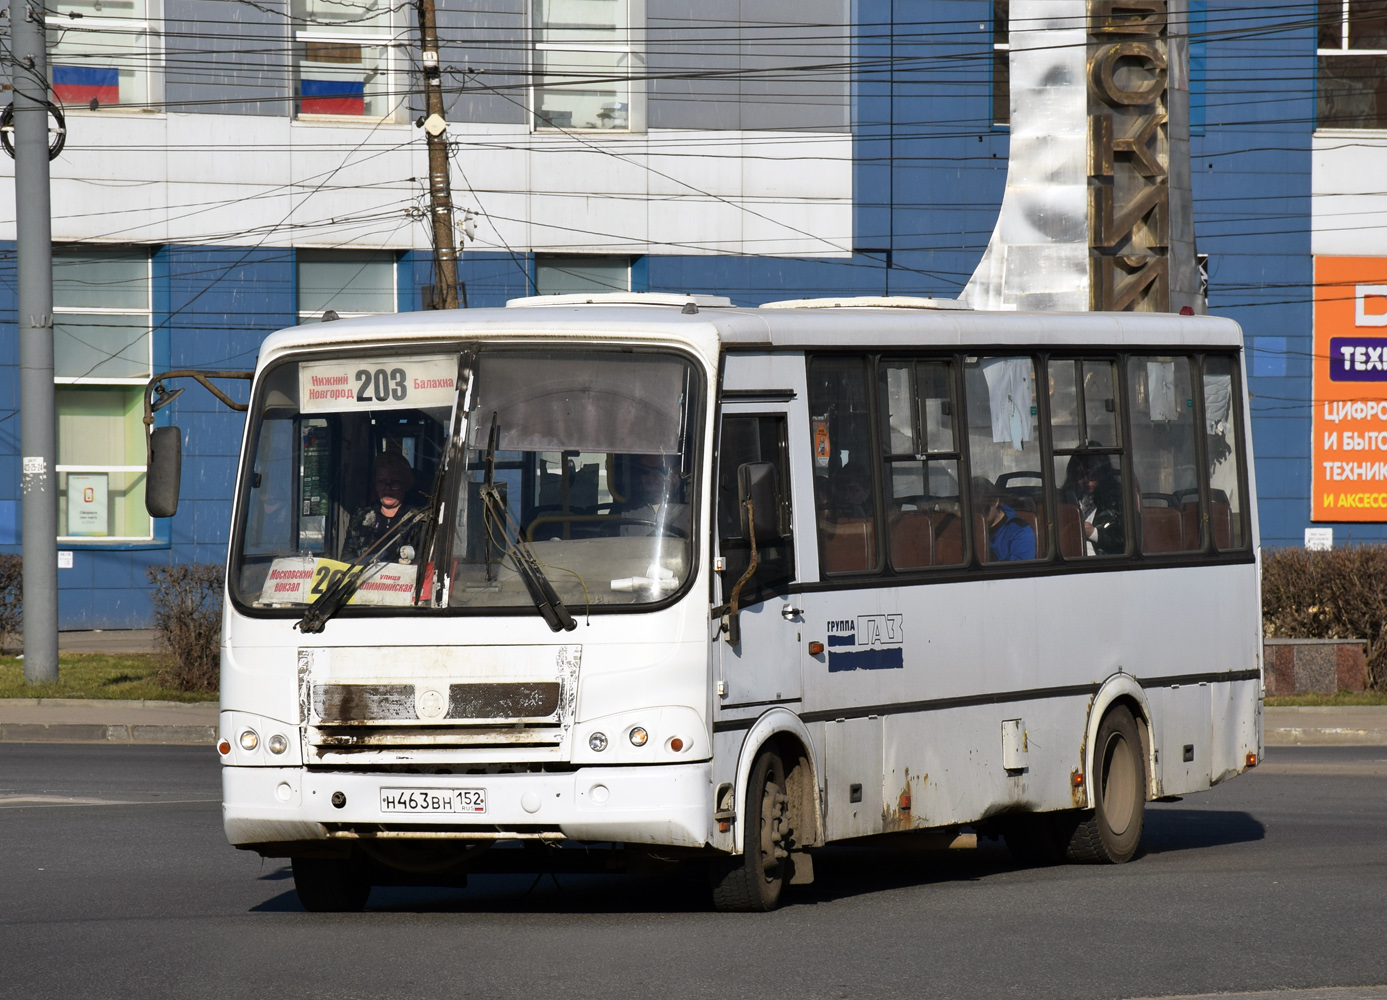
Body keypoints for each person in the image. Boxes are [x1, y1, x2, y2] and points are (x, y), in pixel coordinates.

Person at [344, 452, 424, 562]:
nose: (387, 488)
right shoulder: (361, 516)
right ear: (375, 484)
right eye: (381, 481)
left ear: (406, 484)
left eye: (395, 482)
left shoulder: (418, 519)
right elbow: (346, 559)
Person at [1061, 453, 1125, 556]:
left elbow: (1125, 541)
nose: (1087, 482)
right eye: (1081, 475)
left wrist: (1094, 533)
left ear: (1102, 474)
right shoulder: (1067, 498)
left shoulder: (1116, 499)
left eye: (1093, 475)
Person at [618, 454, 690, 536]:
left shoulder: (693, 508)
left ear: (677, 472)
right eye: (645, 471)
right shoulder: (630, 510)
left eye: (660, 470)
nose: (651, 477)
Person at [972, 476, 1036, 562]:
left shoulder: (1020, 532)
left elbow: (1019, 571)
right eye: (973, 510)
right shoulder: (967, 528)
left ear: (995, 502)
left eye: (982, 509)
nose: (978, 515)